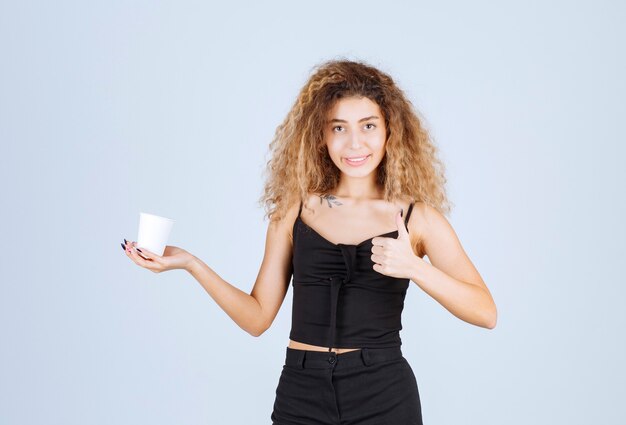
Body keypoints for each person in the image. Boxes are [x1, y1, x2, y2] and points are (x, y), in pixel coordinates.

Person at [121, 58, 497, 424]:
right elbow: (257, 318)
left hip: (383, 391)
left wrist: (414, 267)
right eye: (338, 128)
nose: (354, 143)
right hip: (302, 391)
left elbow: (486, 312)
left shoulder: (418, 218)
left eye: (368, 126)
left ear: (389, 132)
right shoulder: (294, 210)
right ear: (321, 135)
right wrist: (190, 263)